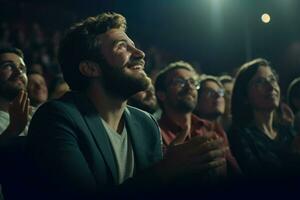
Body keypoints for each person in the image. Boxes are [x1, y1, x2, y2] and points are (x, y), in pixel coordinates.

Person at [27, 12, 228, 199]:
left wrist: (187, 175)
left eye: (133, 45)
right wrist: (166, 170)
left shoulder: (145, 122)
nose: (140, 53)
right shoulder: (56, 118)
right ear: (90, 68)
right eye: (122, 46)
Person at [155, 61, 240, 182]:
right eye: (179, 82)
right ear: (161, 94)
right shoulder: (154, 132)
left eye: (193, 82)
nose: (190, 87)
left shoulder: (212, 128)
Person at [228, 58, 300, 180]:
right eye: (260, 82)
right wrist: (294, 155)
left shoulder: (288, 131)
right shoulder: (239, 136)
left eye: (272, 79)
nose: (271, 86)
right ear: (245, 96)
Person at [0, 47, 30, 138]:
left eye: (22, 68)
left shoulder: (40, 114)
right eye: (8, 66)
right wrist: (13, 130)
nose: (19, 72)